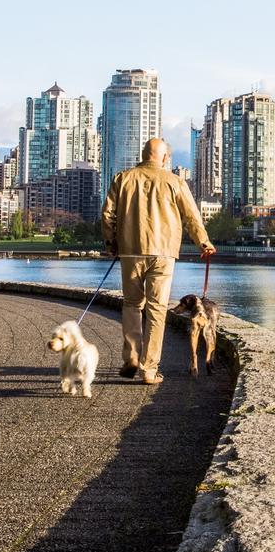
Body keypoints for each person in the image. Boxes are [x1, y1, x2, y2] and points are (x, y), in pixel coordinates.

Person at [101, 137, 215, 385]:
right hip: (163, 254)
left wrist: (112, 244)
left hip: (131, 251)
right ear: (164, 158)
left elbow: (108, 214)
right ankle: (149, 369)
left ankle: (131, 356)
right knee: (156, 311)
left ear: (143, 155)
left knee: (132, 305)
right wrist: (204, 243)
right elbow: (192, 217)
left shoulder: (123, 178)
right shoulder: (175, 181)